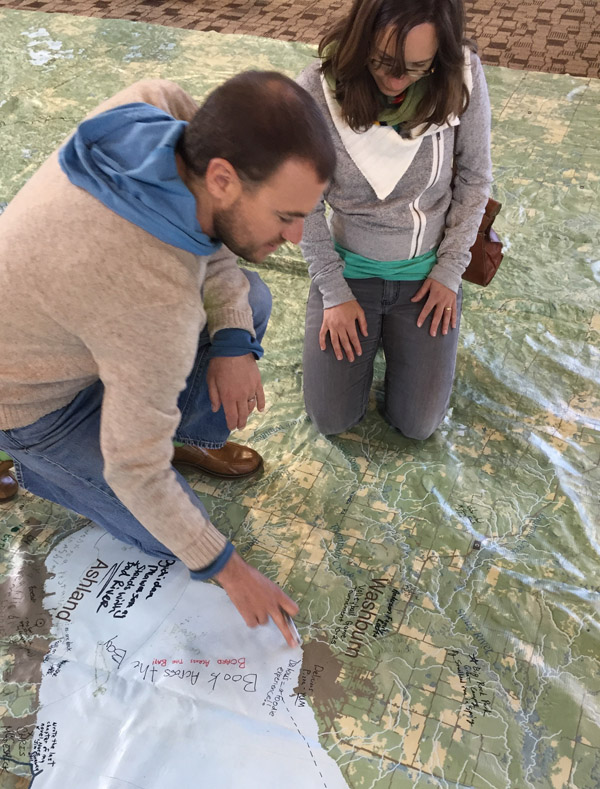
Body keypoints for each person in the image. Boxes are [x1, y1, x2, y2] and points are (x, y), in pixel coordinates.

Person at [0, 73, 335, 646]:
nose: (299, 237)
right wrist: (230, 569)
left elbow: (208, 231)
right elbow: (134, 468)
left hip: (69, 325)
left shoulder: (159, 105)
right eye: (285, 216)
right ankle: (29, 462)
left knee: (247, 303)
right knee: (168, 539)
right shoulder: (154, 302)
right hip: (28, 403)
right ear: (223, 178)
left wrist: (234, 342)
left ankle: (164, 427)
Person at [298, 0, 492, 438]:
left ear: (440, 55)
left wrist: (449, 272)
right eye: (382, 61)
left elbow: (476, 178)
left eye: (418, 66)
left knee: (418, 425)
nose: (396, 80)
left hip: (425, 277)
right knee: (331, 419)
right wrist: (333, 290)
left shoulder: (461, 75)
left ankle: (401, 346)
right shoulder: (318, 88)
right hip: (349, 273)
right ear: (361, 39)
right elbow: (304, 201)